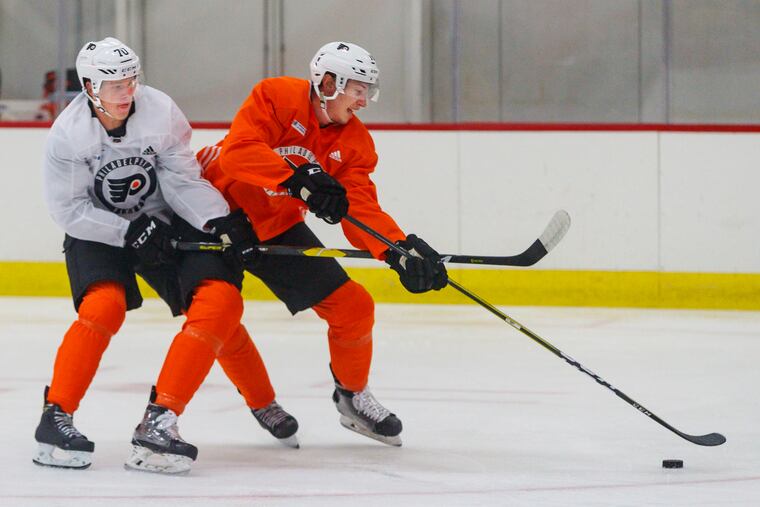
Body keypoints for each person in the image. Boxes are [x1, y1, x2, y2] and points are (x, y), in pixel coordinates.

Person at [34, 37, 296, 474]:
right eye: (114, 84)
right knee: (104, 307)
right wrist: (127, 230)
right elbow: (69, 210)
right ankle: (55, 417)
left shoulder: (160, 111)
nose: (126, 92)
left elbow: (180, 178)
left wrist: (219, 221)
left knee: (219, 303)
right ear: (88, 86)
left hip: (161, 220)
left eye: (131, 80)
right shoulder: (68, 135)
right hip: (97, 229)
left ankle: (183, 417)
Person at [199, 41, 448, 447]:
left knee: (354, 307)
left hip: (274, 223)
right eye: (358, 89)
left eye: (368, 90)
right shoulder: (276, 96)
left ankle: (352, 397)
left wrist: (398, 250)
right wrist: (296, 179)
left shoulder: (355, 143)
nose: (364, 100)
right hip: (212, 215)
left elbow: (360, 206)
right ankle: (263, 402)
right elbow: (237, 155)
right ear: (329, 82)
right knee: (219, 312)